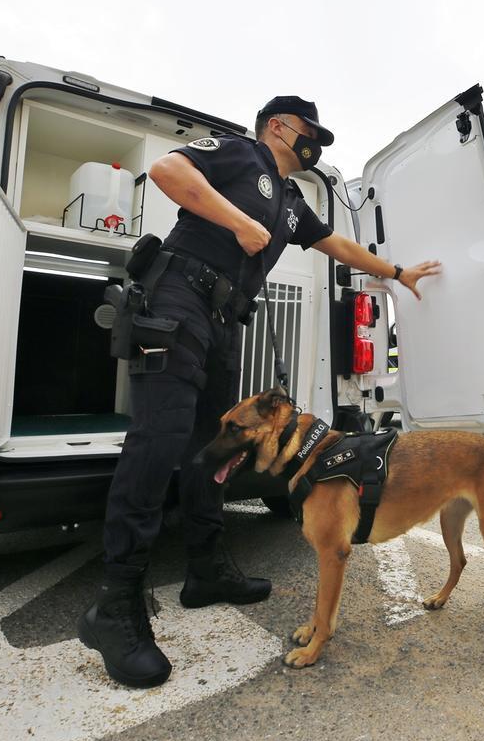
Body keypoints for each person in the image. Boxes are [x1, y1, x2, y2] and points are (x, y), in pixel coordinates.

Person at [78, 96, 441, 689]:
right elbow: (169, 171)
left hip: (222, 320)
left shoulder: (294, 204)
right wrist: (238, 221)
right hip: (177, 302)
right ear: (278, 126)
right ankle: (114, 605)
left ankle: (206, 569)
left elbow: (339, 248)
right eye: (309, 134)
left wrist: (396, 274)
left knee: (209, 449)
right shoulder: (242, 155)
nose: (315, 146)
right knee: (158, 443)